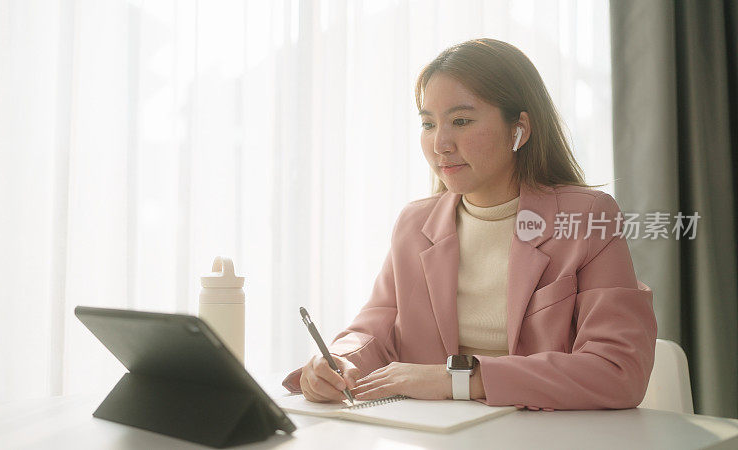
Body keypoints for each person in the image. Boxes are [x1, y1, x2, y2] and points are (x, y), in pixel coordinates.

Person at [281, 38, 657, 411]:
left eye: (460, 121)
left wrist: (457, 380)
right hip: (438, 433)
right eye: (428, 124)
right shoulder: (415, 223)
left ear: (519, 130)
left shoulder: (589, 217)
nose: (440, 143)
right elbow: (374, 329)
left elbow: (618, 369)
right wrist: (334, 362)